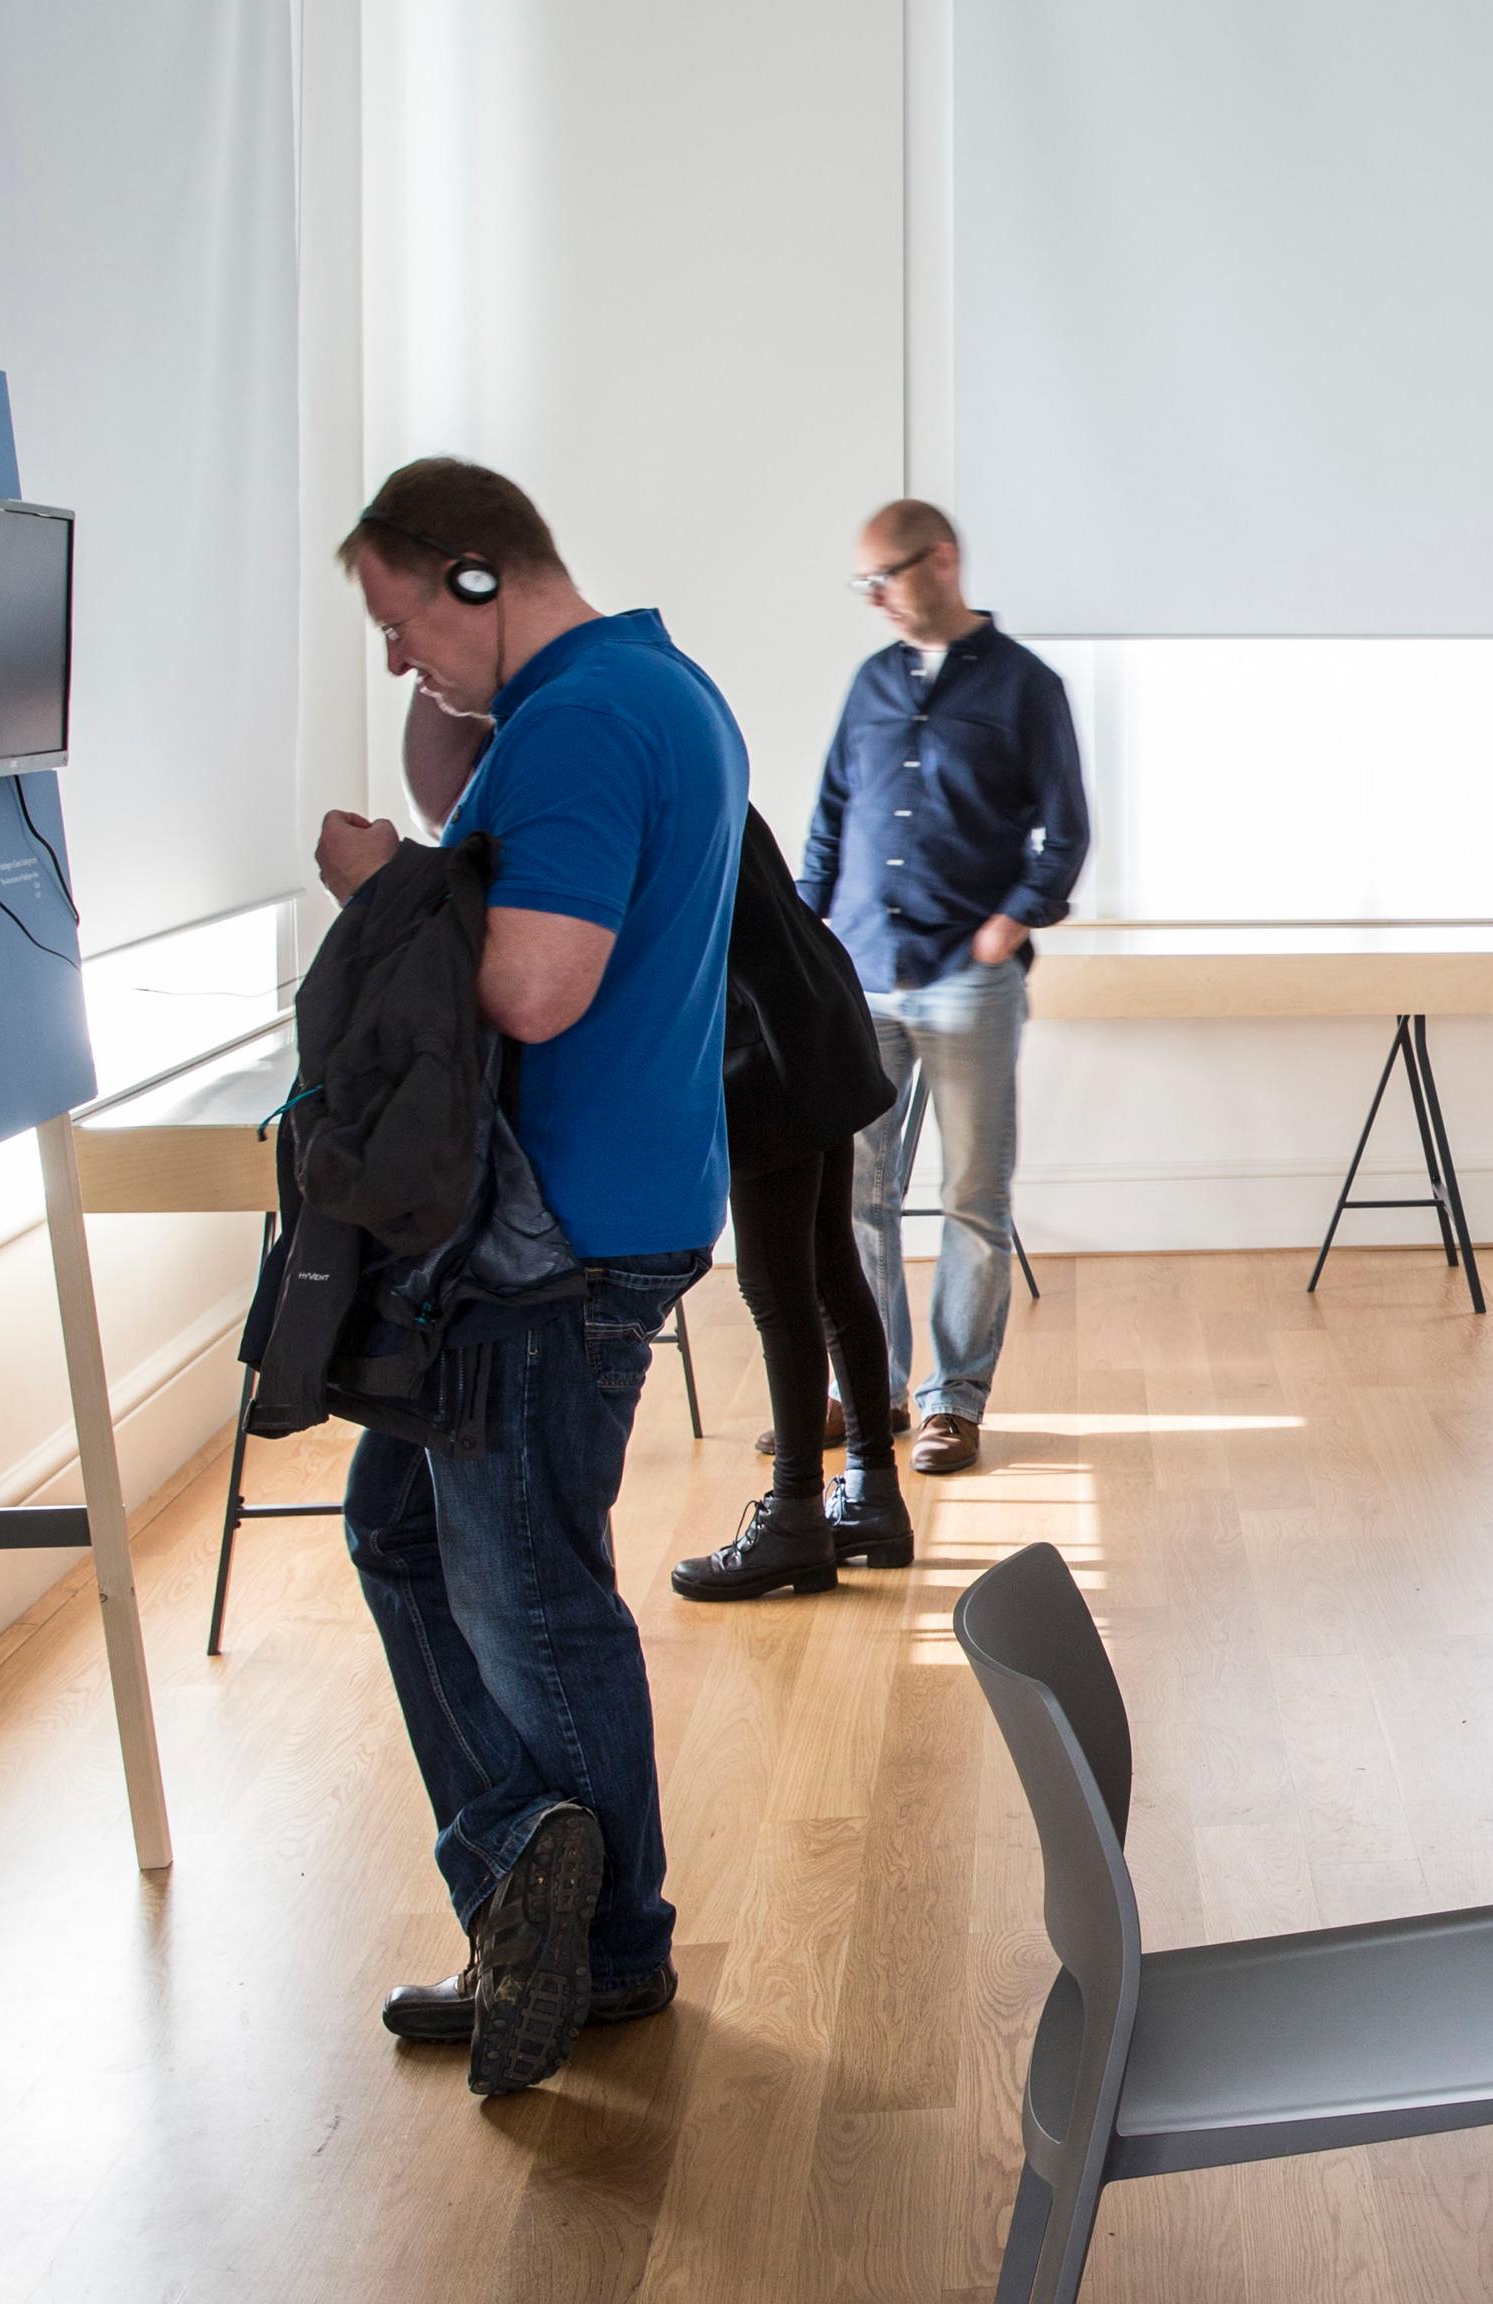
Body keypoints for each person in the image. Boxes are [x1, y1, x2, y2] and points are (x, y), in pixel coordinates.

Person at [316, 458, 743, 2094]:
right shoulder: (643, 685)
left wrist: (382, 888)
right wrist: (452, 777)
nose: (399, 656)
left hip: (546, 1240)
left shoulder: (576, 722)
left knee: (527, 1582)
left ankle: (585, 1926)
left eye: (403, 618)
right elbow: (518, 860)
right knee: (403, 1522)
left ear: (475, 577)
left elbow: (535, 981)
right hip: (606, 1204)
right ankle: (537, 1881)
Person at [800, 499, 1089, 1479]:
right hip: (865, 979)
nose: (874, 595)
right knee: (853, 1195)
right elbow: (831, 819)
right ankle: (868, 1388)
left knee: (972, 1195)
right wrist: (807, 939)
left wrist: (1009, 925)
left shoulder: (1025, 688)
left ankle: (951, 1407)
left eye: (885, 573)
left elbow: (1065, 830)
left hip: (970, 982)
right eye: (863, 581)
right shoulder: (870, 685)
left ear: (944, 562)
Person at [670, 805, 908, 1602]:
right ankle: (871, 1495)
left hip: (765, 1034)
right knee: (831, 1267)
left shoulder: (636, 779)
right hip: (815, 1008)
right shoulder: (699, 759)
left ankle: (796, 1521)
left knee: (778, 1288)